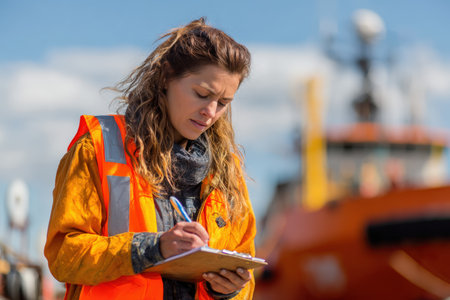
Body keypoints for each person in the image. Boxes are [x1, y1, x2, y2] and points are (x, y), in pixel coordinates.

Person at [44, 18, 256, 300]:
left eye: (224, 103)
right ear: (166, 76)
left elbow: (246, 275)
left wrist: (230, 289)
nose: (211, 112)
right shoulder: (98, 147)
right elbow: (64, 257)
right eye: (202, 94)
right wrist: (152, 249)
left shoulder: (227, 170)